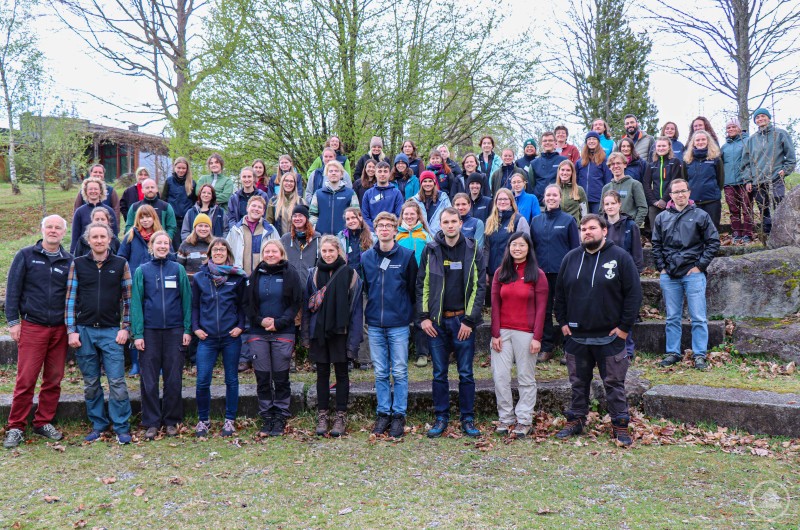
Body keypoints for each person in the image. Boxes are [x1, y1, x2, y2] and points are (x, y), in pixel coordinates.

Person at [554, 214, 642, 446]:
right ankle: (576, 420)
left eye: (592, 228)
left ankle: (620, 425)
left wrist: (624, 328)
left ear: (604, 230)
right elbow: (560, 295)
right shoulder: (570, 258)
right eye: (583, 229)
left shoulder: (620, 258)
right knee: (578, 383)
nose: (587, 232)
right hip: (577, 336)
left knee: (614, 384)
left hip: (610, 337)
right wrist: (562, 323)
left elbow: (633, 295)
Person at [3, 216, 73, 449]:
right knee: (26, 379)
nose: (53, 231)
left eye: (58, 228)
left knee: (53, 378)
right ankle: (16, 426)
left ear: (64, 232)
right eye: (49, 227)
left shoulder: (69, 260)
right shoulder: (25, 255)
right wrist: (14, 322)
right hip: (33, 326)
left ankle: (43, 421)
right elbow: (13, 290)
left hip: (59, 329)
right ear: (42, 230)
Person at [417, 207, 486, 438]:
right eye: (445, 221)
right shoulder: (431, 249)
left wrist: (469, 320)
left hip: (462, 322)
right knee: (439, 373)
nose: (449, 225)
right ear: (441, 225)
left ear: (460, 223)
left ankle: (467, 418)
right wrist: (425, 317)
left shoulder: (472, 248)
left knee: (466, 373)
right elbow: (422, 285)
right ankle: (441, 417)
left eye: (453, 221)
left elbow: (479, 286)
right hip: (437, 322)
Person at [65, 222, 133, 444]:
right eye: (94, 237)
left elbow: (128, 300)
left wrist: (126, 328)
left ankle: (121, 426)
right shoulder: (78, 264)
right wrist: (71, 330)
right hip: (84, 332)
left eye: (103, 236)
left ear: (109, 239)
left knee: (117, 381)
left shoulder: (121, 263)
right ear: (88, 240)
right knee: (91, 382)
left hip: (112, 331)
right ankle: (98, 424)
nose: (99, 240)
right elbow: (70, 300)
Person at [653, 179, 720, 370]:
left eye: (683, 191)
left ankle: (700, 355)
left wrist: (700, 266)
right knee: (672, 317)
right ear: (671, 195)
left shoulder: (701, 215)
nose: (680, 195)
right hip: (670, 275)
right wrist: (662, 268)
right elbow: (656, 244)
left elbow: (713, 242)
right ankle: (672, 352)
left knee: (698, 317)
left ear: (689, 193)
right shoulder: (662, 217)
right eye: (676, 192)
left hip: (693, 274)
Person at [130, 230, 192, 440]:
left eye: (166, 243)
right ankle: (151, 422)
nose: (163, 246)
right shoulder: (142, 271)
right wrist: (137, 333)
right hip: (149, 332)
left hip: (175, 331)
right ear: (152, 245)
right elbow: (136, 303)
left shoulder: (178, 269)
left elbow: (186, 301)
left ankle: (172, 420)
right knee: (149, 380)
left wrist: (186, 329)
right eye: (159, 243)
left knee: (173, 378)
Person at [361, 212, 418, 437]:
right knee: (381, 371)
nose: (384, 229)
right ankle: (383, 412)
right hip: (375, 323)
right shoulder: (366, 257)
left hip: (399, 324)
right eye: (380, 225)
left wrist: (407, 313)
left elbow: (413, 288)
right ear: (376, 230)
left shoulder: (406, 256)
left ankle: (399, 414)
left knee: (401, 371)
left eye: (389, 226)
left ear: (396, 230)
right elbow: (365, 287)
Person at [302, 236, 364, 437]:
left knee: (342, 374)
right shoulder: (313, 274)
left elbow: (356, 311)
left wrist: (353, 341)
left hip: (341, 332)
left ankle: (340, 415)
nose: (328, 255)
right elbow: (306, 307)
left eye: (331, 251)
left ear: (339, 251)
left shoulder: (351, 275)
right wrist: (305, 336)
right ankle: (322, 415)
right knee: (321, 374)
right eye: (324, 251)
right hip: (319, 332)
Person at [490, 232, 548, 438]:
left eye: (521, 245)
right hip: (502, 333)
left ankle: (524, 419)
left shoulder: (537, 275)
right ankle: (505, 418)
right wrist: (495, 333)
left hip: (526, 333)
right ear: (509, 248)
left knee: (525, 377)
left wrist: (537, 337)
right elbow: (495, 305)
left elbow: (542, 309)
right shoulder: (500, 273)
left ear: (528, 248)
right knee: (500, 377)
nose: (517, 248)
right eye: (514, 245)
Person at [246, 240, 304, 437]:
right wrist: (261, 321)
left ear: (281, 253)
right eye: (267, 251)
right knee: (262, 376)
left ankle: (280, 413)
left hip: (283, 331)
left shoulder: (290, 273)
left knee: (280, 376)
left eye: (274, 251)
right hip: (258, 332)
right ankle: (267, 414)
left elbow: (296, 301)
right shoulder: (255, 274)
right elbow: (248, 303)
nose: (270, 254)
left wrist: (278, 322)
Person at [192, 237, 248, 438]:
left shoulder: (237, 277)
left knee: (231, 379)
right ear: (209, 254)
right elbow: (195, 306)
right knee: (202, 380)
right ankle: (203, 420)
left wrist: (240, 326)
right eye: (215, 250)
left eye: (222, 250)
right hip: (207, 338)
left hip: (230, 336)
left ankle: (230, 420)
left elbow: (243, 306)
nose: (218, 253)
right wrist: (196, 328)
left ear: (227, 254)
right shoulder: (200, 277)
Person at [529, 184, 580, 363]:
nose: (551, 198)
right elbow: (532, 249)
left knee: (566, 310)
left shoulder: (568, 220)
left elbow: (576, 249)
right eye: (548, 195)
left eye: (554, 195)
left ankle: (570, 348)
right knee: (544, 310)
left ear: (560, 198)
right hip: (541, 274)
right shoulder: (536, 221)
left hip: (563, 273)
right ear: (544, 198)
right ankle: (547, 347)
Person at [741, 108, 797, 235]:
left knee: (779, 206)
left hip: (775, 178)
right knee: (763, 210)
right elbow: (745, 163)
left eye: (763, 116)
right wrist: (748, 180)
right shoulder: (751, 140)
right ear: (755, 121)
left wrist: (785, 170)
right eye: (757, 117)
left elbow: (791, 157)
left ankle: (784, 235)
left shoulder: (780, 134)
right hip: (757, 181)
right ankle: (767, 236)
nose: (760, 119)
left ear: (769, 118)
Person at [603, 191, 644, 358]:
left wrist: (635, 274)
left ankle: (627, 348)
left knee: (626, 312)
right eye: (607, 204)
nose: (610, 207)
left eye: (613, 203)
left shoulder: (630, 226)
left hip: (626, 275)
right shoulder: (600, 225)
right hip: (605, 275)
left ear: (619, 204)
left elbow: (637, 253)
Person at [338, 207, 375, 370]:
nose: (351, 221)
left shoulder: (371, 237)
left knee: (363, 323)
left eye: (354, 217)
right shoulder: (341, 237)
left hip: (365, 285)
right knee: (345, 322)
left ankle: (365, 358)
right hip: (346, 284)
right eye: (348, 218)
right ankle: (349, 358)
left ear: (360, 218)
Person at [396, 200, 433, 368]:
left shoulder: (425, 235)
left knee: (420, 319)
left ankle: (422, 354)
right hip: (402, 282)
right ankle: (400, 353)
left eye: (412, 214)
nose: (409, 217)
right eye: (406, 214)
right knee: (401, 319)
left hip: (421, 281)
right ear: (402, 216)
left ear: (418, 215)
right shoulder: (397, 236)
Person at [226, 195, 279, 274]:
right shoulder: (235, 230)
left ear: (263, 211)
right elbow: (227, 252)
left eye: (260, 207)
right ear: (247, 208)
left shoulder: (270, 230)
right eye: (253, 206)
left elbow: (279, 252)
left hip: (264, 277)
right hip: (240, 278)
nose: (256, 209)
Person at [682, 130, 724, 230]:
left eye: (703, 139)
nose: (700, 142)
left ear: (708, 141)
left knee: (712, 229)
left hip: (712, 200)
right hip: (693, 201)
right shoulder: (687, 160)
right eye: (698, 140)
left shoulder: (715, 159)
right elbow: (685, 180)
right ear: (693, 143)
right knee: (694, 230)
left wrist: (713, 190)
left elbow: (720, 179)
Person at [720, 118, 753, 243]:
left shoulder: (747, 141)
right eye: (728, 127)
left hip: (744, 181)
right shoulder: (724, 147)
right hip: (729, 182)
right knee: (733, 209)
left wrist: (749, 179)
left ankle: (748, 234)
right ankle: (736, 233)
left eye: (733, 126)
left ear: (739, 128)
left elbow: (751, 161)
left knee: (746, 208)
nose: (731, 129)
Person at [643, 136, 684, 230]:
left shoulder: (675, 162)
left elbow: (674, 183)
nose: (661, 148)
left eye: (664, 146)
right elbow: (646, 184)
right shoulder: (652, 164)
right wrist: (653, 201)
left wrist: (664, 200)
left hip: (671, 202)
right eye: (659, 146)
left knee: (671, 230)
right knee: (656, 231)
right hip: (655, 203)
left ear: (669, 147)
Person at [309, 160, 360, 235]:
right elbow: (313, 215)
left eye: (336, 171)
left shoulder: (350, 193)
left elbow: (356, 215)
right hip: (322, 237)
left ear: (341, 174)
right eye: (331, 171)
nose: (333, 173)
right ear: (326, 174)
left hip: (344, 237)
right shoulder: (318, 194)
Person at [70, 177, 119, 254]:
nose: (93, 191)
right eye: (90, 189)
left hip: (107, 253)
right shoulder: (79, 212)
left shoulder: (109, 211)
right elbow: (75, 236)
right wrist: (73, 253)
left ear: (100, 191)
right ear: (86, 191)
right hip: (85, 252)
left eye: (96, 189)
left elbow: (114, 235)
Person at [601, 153, 648, 227]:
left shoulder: (634, 184)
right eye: (612, 164)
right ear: (609, 167)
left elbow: (643, 208)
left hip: (628, 226)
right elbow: (601, 211)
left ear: (625, 165)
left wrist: (634, 226)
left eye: (618, 163)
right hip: (610, 228)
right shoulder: (606, 188)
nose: (615, 166)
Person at [161, 157, 196, 250]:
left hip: (187, 220)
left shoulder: (192, 183)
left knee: (187, 244)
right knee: (175, 245)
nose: (181, 170)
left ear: (187, 169)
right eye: (179, 168)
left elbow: (195, 201)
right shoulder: (169, 181)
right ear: (174, 167)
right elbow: (163, 199)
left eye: (183, 168)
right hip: (173, 220)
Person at [119, 204, 165, 274]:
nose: (145, 220)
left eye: (148, 217)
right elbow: (121, 258)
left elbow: (170, 257)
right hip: (136, 277)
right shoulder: (131, 235)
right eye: (141, 218)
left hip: (156, 276)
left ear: (154, 217)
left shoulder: (162, 236)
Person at [361, 161, 404, 229]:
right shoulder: (368, 194)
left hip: (391, 231)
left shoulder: (397, 193)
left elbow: (399, 216)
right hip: (372, 232)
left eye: (385, 171)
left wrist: (389, 228)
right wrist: (375, 229)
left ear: (389, 174)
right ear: (375, 173)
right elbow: (365, 217)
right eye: (380, 171)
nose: (382, 174)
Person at [576, 131, 612, 214]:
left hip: (598, 200)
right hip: (582, 200)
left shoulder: (604, 161)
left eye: (594, 139)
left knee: (597, 223)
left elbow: (608, 180)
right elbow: (576, 180)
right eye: (589, 139)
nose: (591, 141)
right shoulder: (579, 162)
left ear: (598, 142)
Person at [529, 132, 567, 205]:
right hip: (539, 204)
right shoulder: (534, 163)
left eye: (550, 140)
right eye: (545, 141)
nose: (547, 143)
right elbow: (532, 183)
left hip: (559, 204)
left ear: (555, 142)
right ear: (541, 143)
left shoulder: (563, 161)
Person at [266, 171, 306, 237]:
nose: (289, 183)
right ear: (282, 183)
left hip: (296, 241)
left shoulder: (301, 202)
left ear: (295, 184)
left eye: (291, 181)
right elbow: (268, 223)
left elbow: (306, 225)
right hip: (278, 240)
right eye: (286, 181)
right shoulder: (273, 201)